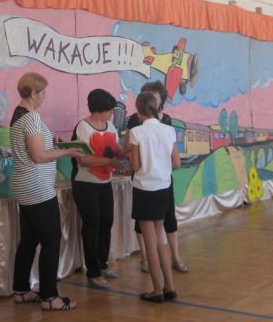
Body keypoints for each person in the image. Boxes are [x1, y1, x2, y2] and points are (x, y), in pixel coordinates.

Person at [8, 72, 82, 311]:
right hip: (37, 187)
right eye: (43, 93)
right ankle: (50, 297)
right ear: (33, 93)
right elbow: (38, 156)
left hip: (25, 186)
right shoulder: (31, 118)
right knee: (51, 240)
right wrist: (68, 152)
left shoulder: (18, 115)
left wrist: (53, 143)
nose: (45, 97)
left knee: (29, 240)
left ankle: (21, 290)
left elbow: (35, 147)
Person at [125, 80, 189, 274]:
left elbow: (138, 163)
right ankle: (151, 265)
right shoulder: (137, 123)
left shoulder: (164, 123)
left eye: (153, 95)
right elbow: (175, 162)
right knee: (150, 229)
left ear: (160, 100)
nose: (150, 99)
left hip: (155, 182)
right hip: (152, 181)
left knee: (165, 221)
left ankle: (171, 261)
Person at [129, 91, 181, 303]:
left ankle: (157, 290)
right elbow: (176, 163)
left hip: (144, 190)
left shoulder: (136, 132)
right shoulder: (169, 130)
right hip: (163, 189)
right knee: (160, 240)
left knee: (150, 243)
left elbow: (135, 166)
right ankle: (170, 287)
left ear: (138, 111)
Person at [71, 88, 125, 289]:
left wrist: (129, 150)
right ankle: (93, 271)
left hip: (105, 183)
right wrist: (110, 161)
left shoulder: (110, 126)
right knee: (92, 225)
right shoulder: (83, 127)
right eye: (109, 110)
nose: (111, 114)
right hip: (86, 184)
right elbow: (83, 160)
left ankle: (102, 263)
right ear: (100, 109)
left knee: (106, 222)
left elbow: (117, 150)